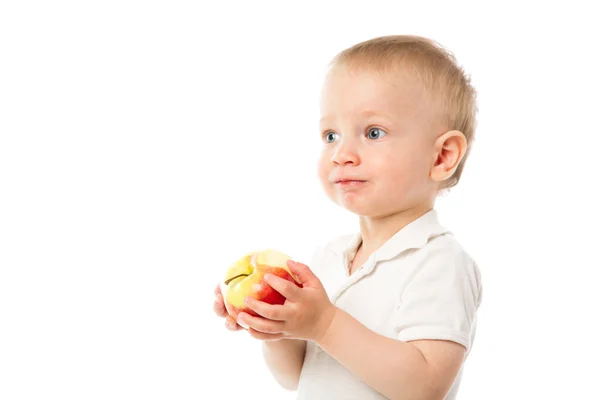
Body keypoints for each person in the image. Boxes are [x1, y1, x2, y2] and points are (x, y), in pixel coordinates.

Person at [212, 34, 483, 400]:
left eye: (373, 132)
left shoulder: (439, 262)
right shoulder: (329, 257)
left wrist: (324, 323)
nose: (341, 154)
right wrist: (276, 331)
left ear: (441, 157)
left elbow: (425, 386)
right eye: (331, 135)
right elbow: (295, 377)